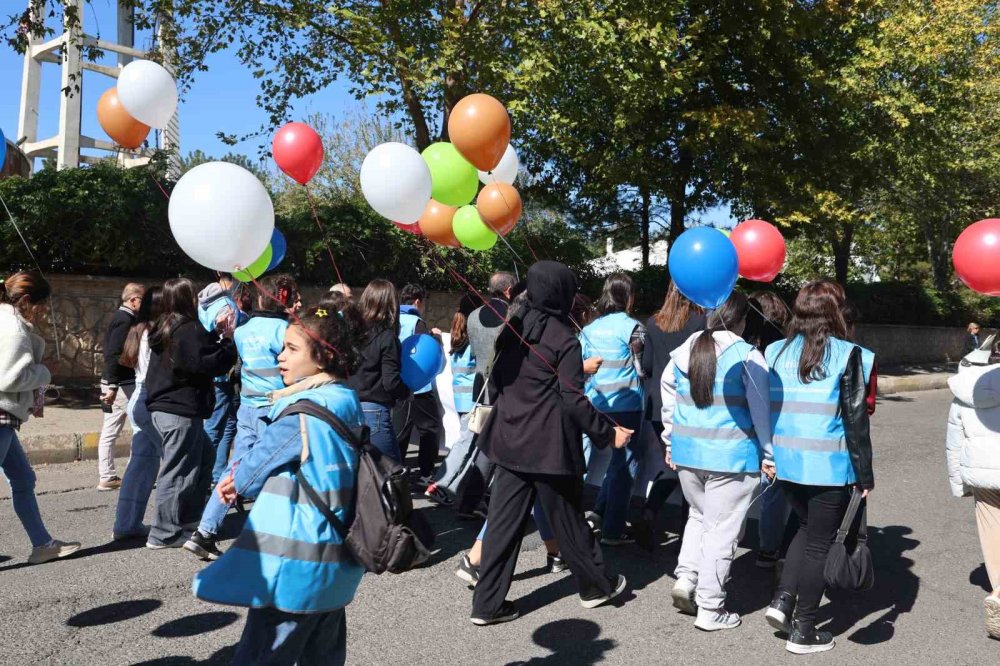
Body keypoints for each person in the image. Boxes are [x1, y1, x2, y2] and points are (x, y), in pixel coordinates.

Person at [192, 307, 365, 664]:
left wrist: (233, 483)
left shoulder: (302, 413)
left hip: (293, 566)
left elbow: (250, 475)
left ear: (322, 356)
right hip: (336, 559)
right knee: (324, 653)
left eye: (291, 349)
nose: (280, 357)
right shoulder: (347, 400)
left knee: (263, 655)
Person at [470, 261, 633, 626]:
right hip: (548, 448)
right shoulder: (564, 338)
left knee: (502, 526)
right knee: (570, 520)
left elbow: (496, 382)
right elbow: (573, 399)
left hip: (509, 440)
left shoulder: (513, 328)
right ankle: (596, 587)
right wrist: (608, 433)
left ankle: (487, 605)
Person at [763, 279, 875, 655]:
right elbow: (856, 419)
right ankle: (805, 630)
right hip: (828, 465)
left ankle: (782, 601)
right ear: (835, 310)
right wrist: (865, 476)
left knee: (806, 530)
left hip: (786, 463)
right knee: (819, 545)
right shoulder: (848, 354)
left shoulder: (775, 350)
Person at [660, 291, 773, 631]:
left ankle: (687, 577)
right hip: (731, 457)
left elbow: (669, 398)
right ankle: (711, 608)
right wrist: (770, 454)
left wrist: (669, 439)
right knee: (722, 531)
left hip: (687, 452)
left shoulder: (685, 348)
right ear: (741, 320)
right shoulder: (748, 356)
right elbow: (761, 411)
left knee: (698, 516)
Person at [185, 275, 298, 561]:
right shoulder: (287, 332)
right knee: (282, 471)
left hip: (248, 406)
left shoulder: (244, 331)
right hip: (277, 409)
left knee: (234, 469)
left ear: (261, 298)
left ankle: (205, 531)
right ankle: (275, 539)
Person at [145, 278, 238, 550]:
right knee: (179, 471)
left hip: (169, 406)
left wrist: (215, 336)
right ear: (188, 299)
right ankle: (164, 532)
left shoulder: (168, 325)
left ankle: (188, 519)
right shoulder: (186, 328)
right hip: (179, 409)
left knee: (203, 459)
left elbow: (193, 353)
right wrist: (229, 342)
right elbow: (209, 363)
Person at [0, 271, 81, 564]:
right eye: (40, 303)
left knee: (23, 479)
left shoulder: (6, 321)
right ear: (24, 300)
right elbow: (10, 377)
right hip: (2, 414)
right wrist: (44, 370)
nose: (43, 309)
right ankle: (43, 544)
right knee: (22, 480)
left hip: (6, 415)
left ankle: (43, 544)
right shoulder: (13, 328)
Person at [632, 282, 706, 548]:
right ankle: (688, 533)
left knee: (670, 463)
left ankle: (650, 510)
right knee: (690, 469)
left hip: (657, 401)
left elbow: (649, 364)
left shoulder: (653, 322)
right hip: (688, 402)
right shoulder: (700, 322)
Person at [582, 273, 646, 545]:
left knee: (592, 463)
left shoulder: (589, 328)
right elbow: (642, 368)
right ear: (628, 296)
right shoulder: (634, 328)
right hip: (627, 405)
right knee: (624, 467)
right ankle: (613, 530)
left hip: (595, 403)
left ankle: (596, 512)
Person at [946, 351, 1000, 639]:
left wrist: (959, 484)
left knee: (993, 534)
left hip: (982, 475)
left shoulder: (968, 389)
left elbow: (954, 440)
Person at [457, 271, 517, 518]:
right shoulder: (510, 316)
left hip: (480, 384)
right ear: (508, 290)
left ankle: (471, 498)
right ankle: (474, 500)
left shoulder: (473, 315)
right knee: (491, 447)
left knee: (482, 444)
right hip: (500, 387)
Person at [744, 291, 793, 569]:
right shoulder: (783, 353)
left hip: (741, 426)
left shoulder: (744, 352)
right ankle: (769, 548)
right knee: (773, 489)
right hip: (777, 429)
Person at [112, 286, 163, 541]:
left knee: (141, 465)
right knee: (179, 461)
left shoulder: (140, 330)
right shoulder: (156, 332)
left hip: (140, 400)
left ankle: (126, 523)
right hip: (153, 401)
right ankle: (175, 523)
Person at [346, 279, 409, 462]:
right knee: (391, 472)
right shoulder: (387, 337)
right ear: (391, 304)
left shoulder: (351, 332)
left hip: (348, 407)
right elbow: (391, 381)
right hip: (374, 411)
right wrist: (405, 392)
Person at [393, 283, 446, 483]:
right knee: (430, 428)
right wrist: (437, 339)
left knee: (401, 430)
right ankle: (426, 472)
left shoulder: (392, 320)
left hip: (398, 383)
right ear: (417, 301)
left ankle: (396, 470)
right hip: (420, 385)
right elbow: (428, 353)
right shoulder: (417, 323)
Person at [96, 282, 145, 491]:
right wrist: (113, 385)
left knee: (111, 430)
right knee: (140, 428)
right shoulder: (125, 320)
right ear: (133, 300)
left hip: (116, 383)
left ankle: (107, 476)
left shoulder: (124, 318)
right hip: (123, 385)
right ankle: (133, 475)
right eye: (143, 300)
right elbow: (113, 354)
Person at [197, 274, 245, 486]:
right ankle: (207, 477)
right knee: (218, 426)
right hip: (223, 373)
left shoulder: (204, 303)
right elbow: (229, 339)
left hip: (209, 369)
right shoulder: (228, 306)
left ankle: (212, 475)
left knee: (221, 424)